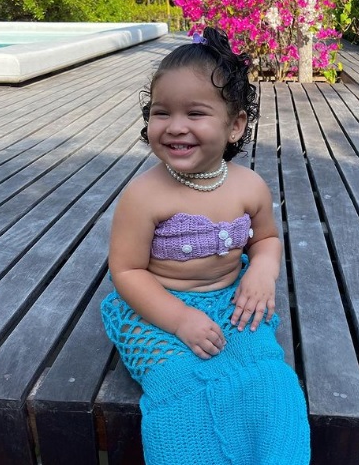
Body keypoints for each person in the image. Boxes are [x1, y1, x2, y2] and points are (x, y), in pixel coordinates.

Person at [101, 27, 310, 465]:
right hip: (155, 310)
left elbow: (266, 239)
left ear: (235, 125)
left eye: (195, 113)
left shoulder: (249, 187)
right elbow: (126, 271)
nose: (175, 126)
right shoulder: (143, 196)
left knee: (267, 376)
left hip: (234, 304)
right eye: (161, 113)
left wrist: (261, 270)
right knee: (179, 382)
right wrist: (179, 320)